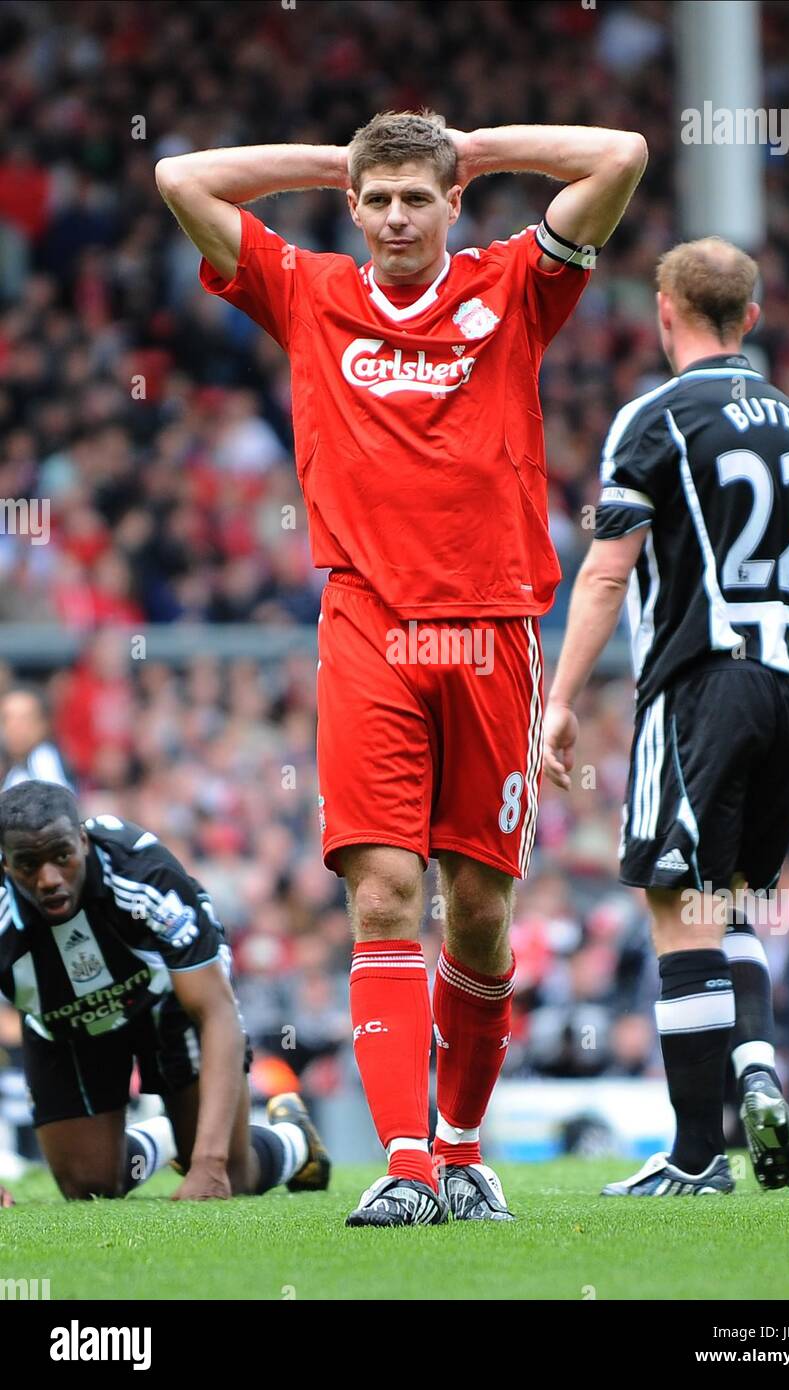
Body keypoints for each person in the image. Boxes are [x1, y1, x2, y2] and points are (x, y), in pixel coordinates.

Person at [156, 110, 647, 1225]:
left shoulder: (515, 282)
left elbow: (620, 155)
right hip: (369, 624)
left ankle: (464, 1147)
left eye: (414, 197)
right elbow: (181, 174)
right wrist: (333, 162)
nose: (391, 217)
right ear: (351, 205)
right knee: (383, 894)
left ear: (452, 203)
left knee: (478, 911)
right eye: (373, 199)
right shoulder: (309, 288)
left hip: (491, 630)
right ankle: (407, 1160)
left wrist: (473, 144)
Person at [543, 237, 789, 1196]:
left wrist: (561, 698)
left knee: (675, 906)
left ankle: (698, 1156)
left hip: (705, 683)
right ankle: (754, 1062)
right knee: (727, 898)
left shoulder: (653, 419)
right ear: (749, 316)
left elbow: (608, 569)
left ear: (665, 310)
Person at [0, 780, 329, 1205]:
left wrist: (209, 1165)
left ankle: (293, 1139)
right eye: (28, 864)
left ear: (82, 840)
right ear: (6, 864)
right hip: (64, 1025)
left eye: (62, 857)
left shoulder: (143, 873)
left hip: (165, 1004)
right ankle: (169, 1137)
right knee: (91, 1186)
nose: (48, 879)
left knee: (232, 1173)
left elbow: (216, 1012)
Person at [0, 687, 75, 792]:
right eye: (6, 719)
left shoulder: (45, 760)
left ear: (43, 724)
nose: (14, 727)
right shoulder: (10, 767)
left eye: (23, 719)